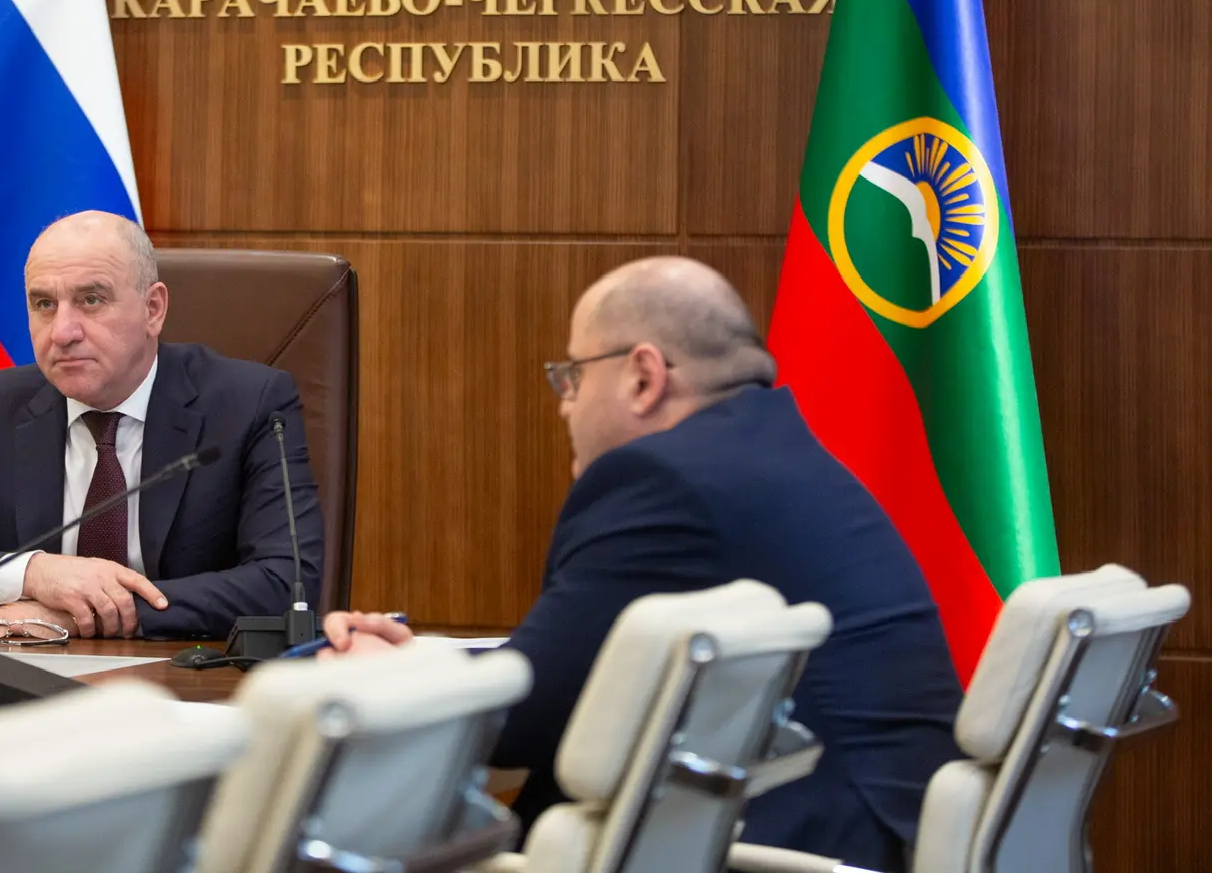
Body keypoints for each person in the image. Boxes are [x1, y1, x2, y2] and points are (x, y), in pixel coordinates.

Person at [322, 257, 961, 871]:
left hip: (797, 847)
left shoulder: (663, 479)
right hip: (876, 839)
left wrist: (392, 677)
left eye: (572, 377)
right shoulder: (774, 454)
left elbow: (522, 719)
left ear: (642, 377)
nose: (565, 404)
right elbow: (578, 672)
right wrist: (425, 660)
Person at [0, 210, 323, 640]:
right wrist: (33, 574)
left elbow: (287, 583)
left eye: (91, 300)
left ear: (153, 309)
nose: (62, 332)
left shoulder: (248, 404)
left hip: (187, 687)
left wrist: (77, 615)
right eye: (43, 304)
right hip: (24, 687)